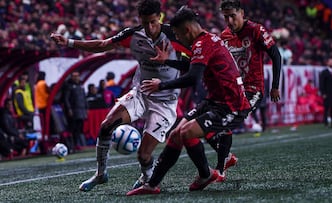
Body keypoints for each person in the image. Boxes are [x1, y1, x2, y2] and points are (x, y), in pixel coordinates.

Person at [50, 0, 191, 192]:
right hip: (141, 93)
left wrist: (169, 62)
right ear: (139, 20)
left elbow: (194, 66)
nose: (149, 28)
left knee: (143, 156)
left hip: (165, 101)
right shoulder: (133, 35)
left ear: (159, 17)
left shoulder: (176, 36)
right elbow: (102, 44)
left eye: (153, 22)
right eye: (145, 22)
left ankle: (147, 178)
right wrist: (69, 42)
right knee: (106, 126)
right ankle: (101, 174)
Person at [127, 6, 251, 196]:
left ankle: (206, 174)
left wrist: (161, 85)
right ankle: (151, 185)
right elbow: (191, 66)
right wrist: (166, 61)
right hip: (215, 101)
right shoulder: (206, 40)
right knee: (176, 134)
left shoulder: (202, 44)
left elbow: (193, 77)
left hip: (231, 106)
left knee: (185, 132)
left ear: (186, 30)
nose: (178, 39)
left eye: (177, 34)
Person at [206, 0, 281, 180]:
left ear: (242, 13)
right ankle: (227, 158)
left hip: (252, 90)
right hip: (231, 90)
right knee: (205, 125)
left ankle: (220, 170)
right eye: (226, 17)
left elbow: (276, 55)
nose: (230, 20)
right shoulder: (224, 36)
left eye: (233, 16)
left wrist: (275, 86)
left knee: (223, 122)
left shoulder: (256, 30)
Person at [63, 71, 88, 152]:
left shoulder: (81, 85)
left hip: (81, 110)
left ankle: (76, 144)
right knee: (72, 128)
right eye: (74, 76)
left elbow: (84, 98)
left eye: (77, 76)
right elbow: (66, 98)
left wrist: (86, 108)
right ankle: (71, 145)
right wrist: (69, 109)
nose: (76, 77)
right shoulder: (69, 86)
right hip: (74, 110)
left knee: (79, 128)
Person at [319, 58, 332, 128]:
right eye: (330, 62)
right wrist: (323, 93)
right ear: (327, 63)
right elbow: (321, 83)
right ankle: (326, 122)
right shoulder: (324, 72)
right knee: (326, 108)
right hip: (327, 93)